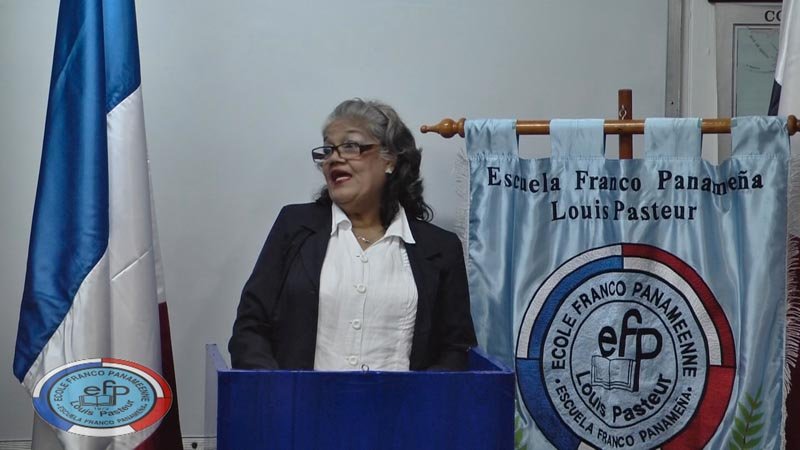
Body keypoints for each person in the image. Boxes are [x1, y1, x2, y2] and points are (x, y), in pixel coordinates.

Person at [229, 99, 476, 371]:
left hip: (402, 400)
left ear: (390, 159)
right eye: (328, 149)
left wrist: (423, 396)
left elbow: (456, 349)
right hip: (301, 399)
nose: (334, 158)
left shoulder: (441, 248)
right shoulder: (294, 227)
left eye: (350, 146)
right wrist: (278, 389)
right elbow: (250, 327)